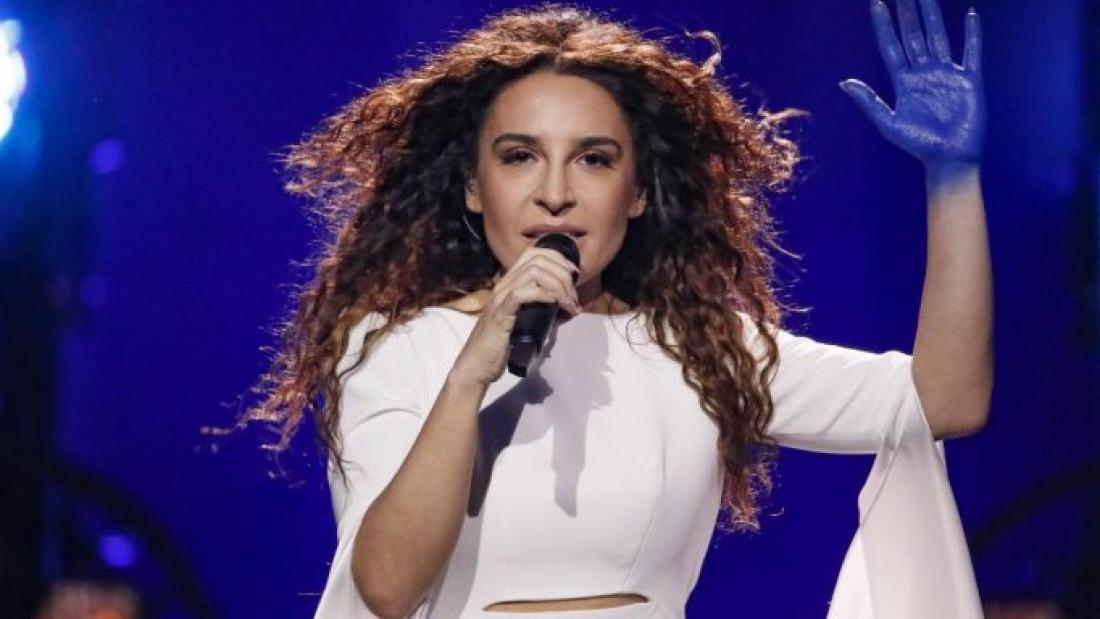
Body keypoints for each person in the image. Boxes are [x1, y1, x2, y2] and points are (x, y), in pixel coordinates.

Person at [240, 1, 992, 616]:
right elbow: (386, 588)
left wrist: (952, 181)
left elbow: (943, 400)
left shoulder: (701, 349)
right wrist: (470, 372)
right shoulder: (395, 345)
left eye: (593, 159)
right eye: (519, 156)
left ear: (636, 193)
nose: (555, 192)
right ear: (473, 186)